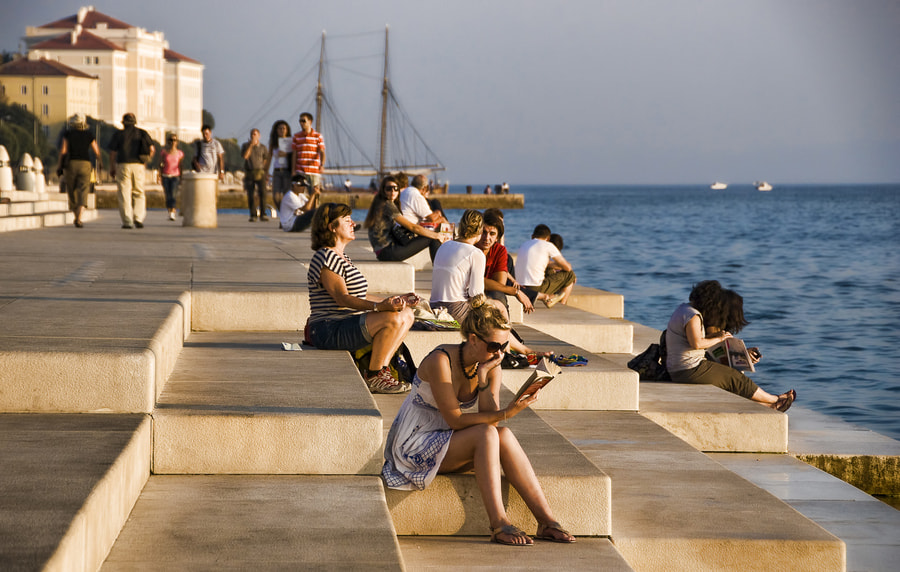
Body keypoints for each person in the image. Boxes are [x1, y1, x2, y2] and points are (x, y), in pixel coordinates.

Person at [381, 295, 576, 546]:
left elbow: (491, 422)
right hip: (415, 443)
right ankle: (498, 524)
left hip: (447, 440)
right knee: (486, 435)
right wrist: (507, 412)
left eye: (504, 346)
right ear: (473, 339)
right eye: (494, 346)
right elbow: (455, 420)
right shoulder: (440, 360)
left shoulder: (490, 365)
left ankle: (547, 521)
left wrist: (484, 378)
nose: (500, 353)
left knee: (502, 435)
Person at [306, 203, 416, 394]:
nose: (353, 224)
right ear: (332, 227)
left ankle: (382, 370)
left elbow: (359, 294)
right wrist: (379, 307)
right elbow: (342, 298)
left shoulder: (342, 257)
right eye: (347, 220)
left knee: (406, 314)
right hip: (328, 328)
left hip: (344, 323)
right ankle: (374, 375)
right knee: (392, 318)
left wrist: (394, 301)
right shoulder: (325, 257)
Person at [665, 280, 796, 411]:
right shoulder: (693, 316)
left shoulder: (684, 309)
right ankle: (776, 399)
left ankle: (767, 405)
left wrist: (741, 352)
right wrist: (719, 338)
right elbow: (697, 343)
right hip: (689, 369)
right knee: (735, 379)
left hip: (682, 368)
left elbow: (699, 342)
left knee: (730, 376)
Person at [431, 210, 542, 356]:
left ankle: (523, 350)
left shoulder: (444, 246)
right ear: (479, 231)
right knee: (499, 307)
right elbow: (476, 296)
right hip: (455, 310)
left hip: (434, 306)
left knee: (495, 307)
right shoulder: (475, 253)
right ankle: (506, 351)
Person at [364, 175, 446, 263]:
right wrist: (437, 235)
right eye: (389, 189)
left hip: (384, 250)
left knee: (430, 234)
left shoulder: (382, 203)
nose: (392, 191)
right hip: (387, 251)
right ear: (383, 190)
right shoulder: (387, 205)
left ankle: (440, 268)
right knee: (432, 237)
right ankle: (440, 269)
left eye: (395, 188)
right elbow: (412, 227)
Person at [476, 210, 534, 313]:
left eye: (492, 234)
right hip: (469, 294)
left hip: (491, 293)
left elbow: (500, 284)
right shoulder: (471, 249)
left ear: (497, 237)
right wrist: (515, 291)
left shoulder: (499, 250)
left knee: (497, 295)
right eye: (483, 232)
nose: (487, 238)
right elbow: (472, 281)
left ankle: (504, 327)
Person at [108, 112, 154, 229]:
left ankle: (127, 221)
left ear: (123, 123)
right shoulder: (142, 133)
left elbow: (113, 153)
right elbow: (152, 149)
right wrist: (146, 161)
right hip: (138, 165)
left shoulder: (118, 134)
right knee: (139, 192)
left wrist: (112, 167)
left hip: (123, 164)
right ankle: (138, 218)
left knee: (124, 193)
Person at [56, 113, 101, 228]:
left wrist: (59, 165)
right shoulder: (89, 134)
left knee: (72, 190)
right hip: (85, 164)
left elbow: (63, 150)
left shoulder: (68, 134)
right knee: (84, 189)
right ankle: (79, 217)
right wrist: (100, 161)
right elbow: (96, 150)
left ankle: (76, 216)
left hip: (71, 164)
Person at [515, 224, 576, 307]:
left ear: (532, 236)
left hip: (520, 287)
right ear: (548, 238)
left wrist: (550, 264)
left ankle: (551, 298)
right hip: (535, 288)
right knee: (570, 275)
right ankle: (562, 304)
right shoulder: (548, 245)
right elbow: (568, 267)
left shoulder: (524, 244)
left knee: (548, 270)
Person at [242, 128, 271, 222]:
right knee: (250, 194)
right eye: (252, 134)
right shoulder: (245, 145)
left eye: (255, 134)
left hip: (260, 172)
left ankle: (263, 214)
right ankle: (253, 214)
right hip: (250, 172)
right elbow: (245, 156)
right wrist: (251, 145)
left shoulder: (263, 147)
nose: (253, 136)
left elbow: (266, 160)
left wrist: (266, 173)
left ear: (259, 136)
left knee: (263, 193)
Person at [291, 112, 326, 191]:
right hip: (301, 170)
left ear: (310, 121)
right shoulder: (296, 136)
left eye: (303, 121)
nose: (301, 123)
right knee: (301, 195)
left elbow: (322, 152)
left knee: (314, 194)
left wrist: (322, 164)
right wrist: (293, 170)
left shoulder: (318, 136)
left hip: (314, 171)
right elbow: (294, 154)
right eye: (300, 121)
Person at [266, 120, 292, 211]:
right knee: (276, 196)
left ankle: (285, 217)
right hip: (277, 171)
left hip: (287, 171)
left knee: (286, 195)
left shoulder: (291, 141)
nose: (282, 130)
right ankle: (282, 212)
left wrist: (286, 154)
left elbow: (295, 156)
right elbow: (269, 157)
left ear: (287, 130)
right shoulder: (274, 143)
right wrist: (266, 171)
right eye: (280, 128)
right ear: (276, 130)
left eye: (284, 128)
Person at [157, 132, 183, 221]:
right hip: (165, 175)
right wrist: (159, 175)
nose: (173, 142)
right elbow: (160, 164)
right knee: (167, 195)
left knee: (173, 194)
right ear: (168, 141)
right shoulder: (164, 152)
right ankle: (169, 210)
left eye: (174, 140)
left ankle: (173, 211)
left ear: (177, 142)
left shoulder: (180, 153)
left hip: (175, 176)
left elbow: (181, 166)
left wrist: (182, 177)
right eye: (171, 140)